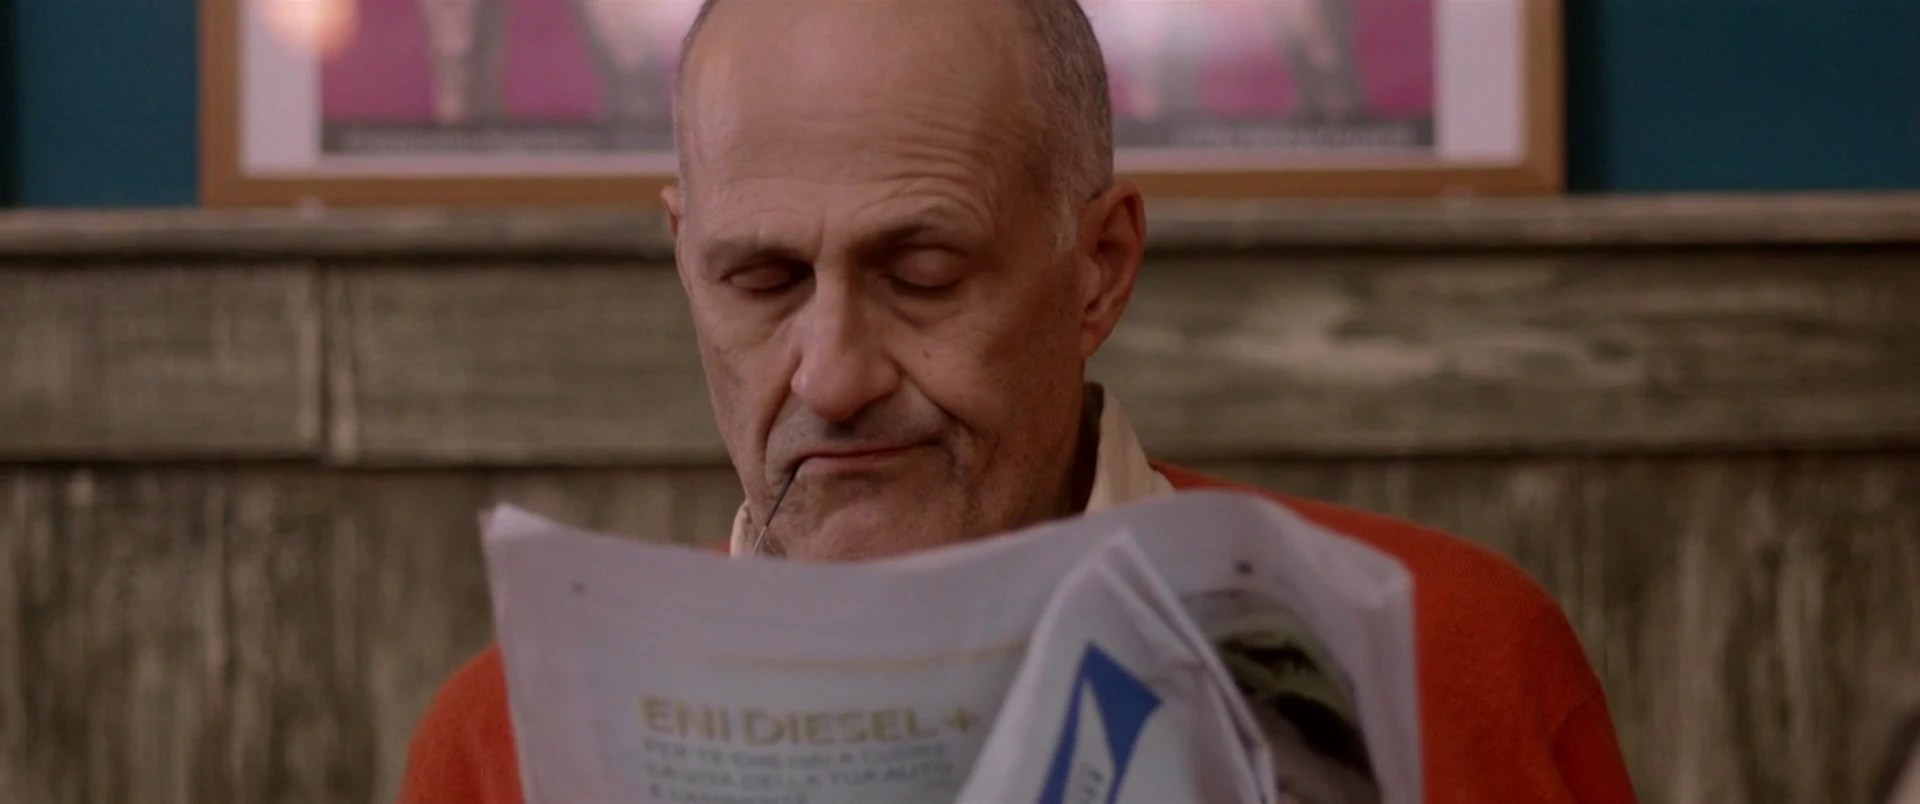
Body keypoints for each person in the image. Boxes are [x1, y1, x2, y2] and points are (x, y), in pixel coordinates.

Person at [396, 0, 1638, 802]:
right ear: (684, 261)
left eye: (923, 274)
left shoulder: (1453, 662)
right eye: (761, 282)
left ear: (1100, 268)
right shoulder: (509, 743)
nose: (832, 375)